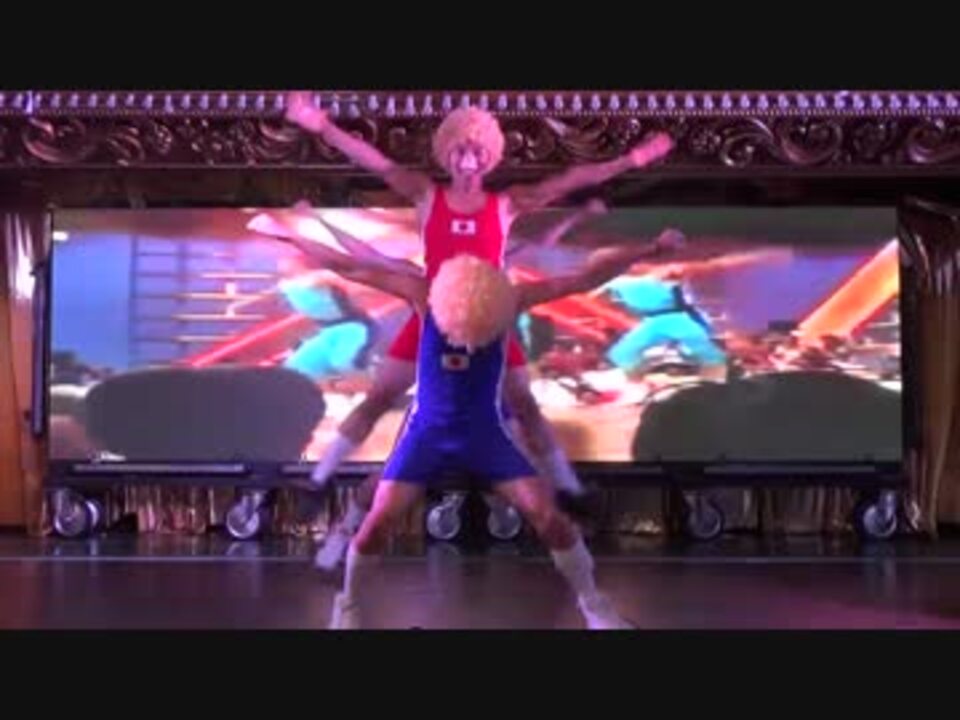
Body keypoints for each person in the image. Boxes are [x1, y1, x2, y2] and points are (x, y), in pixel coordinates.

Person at [272, 221, 683, 629]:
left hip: (485, 435)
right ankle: (347, 607)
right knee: (376, 524)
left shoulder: (511, 298)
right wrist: (293, 237)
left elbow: (584, 278)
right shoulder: (423, 295)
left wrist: (650, 249)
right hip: (426, 435)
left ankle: (595, 608)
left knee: (550, 518)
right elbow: (349, 266)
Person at [283, 93, 674, 508]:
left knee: (524, 405)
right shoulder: (426, 194)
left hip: (489, 317)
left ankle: (569, 490)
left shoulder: (505, 204)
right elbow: (376, 162)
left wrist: (631, 160)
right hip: (432, 314)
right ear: (446, 152)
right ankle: (319, 480)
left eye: (477, 149)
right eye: (460, 148)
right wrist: (322, 126)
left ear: (491, 155)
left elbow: (570, 180)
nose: (468, 158)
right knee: (379, 398)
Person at [249, 201, 608, 568]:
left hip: (483, 383)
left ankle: (560, 496)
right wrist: (295, 231)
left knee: (522, 431)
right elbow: (356, 259)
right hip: (442, 389)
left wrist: (579, 217)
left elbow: (551, 256)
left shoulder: (496, 278)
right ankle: (339, 523)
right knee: (387, 450)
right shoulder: (424, 286)